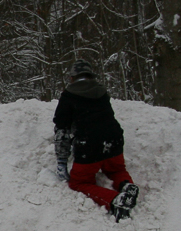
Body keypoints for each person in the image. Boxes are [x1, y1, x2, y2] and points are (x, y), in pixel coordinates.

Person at [53, 60, 139, 221]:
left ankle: (114, 200)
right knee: (116, 170)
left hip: (89, 146)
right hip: (114, 139)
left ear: (72, 77)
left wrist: (62, 161)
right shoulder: (102, 92)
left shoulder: (69, 96)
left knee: (79, 183)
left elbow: (62, 130)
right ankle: (127, 185)